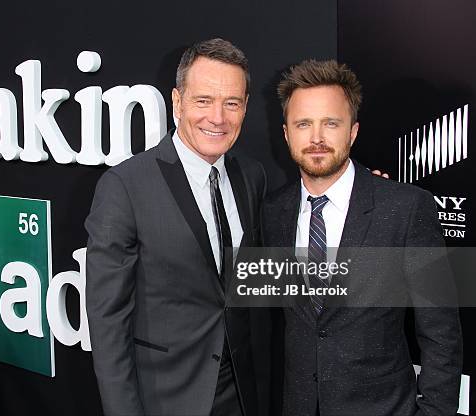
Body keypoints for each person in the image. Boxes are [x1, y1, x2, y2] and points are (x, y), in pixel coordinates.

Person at [262, 59, 463, 416]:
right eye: (303, 124)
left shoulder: (406, 208)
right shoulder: (273, 212)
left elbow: (442, 333)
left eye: (331, 123)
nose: (317, 138)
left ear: (352, 131)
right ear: (286, 133)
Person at [85, 38, 265, 416]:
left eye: (231, 103)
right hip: (166, 399)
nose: (218, 117)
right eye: (203, 100)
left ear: (245, 107)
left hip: (243, 396)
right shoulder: (125, 187)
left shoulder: (251, 175)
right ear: (177, 102)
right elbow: (108, 324)